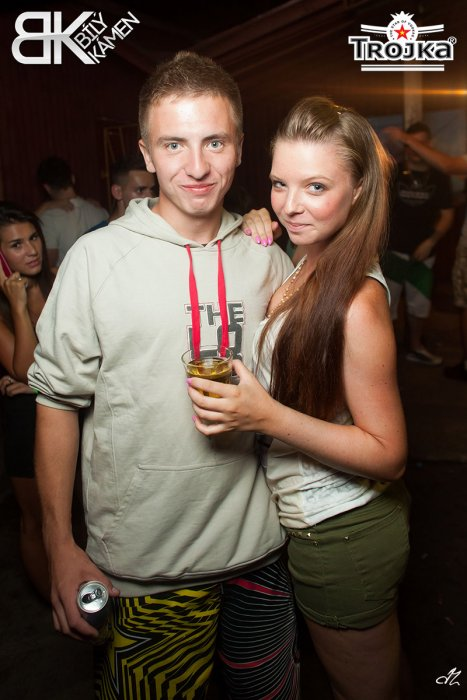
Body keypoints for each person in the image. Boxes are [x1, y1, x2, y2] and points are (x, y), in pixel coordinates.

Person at [28, 51, 299, 700]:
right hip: (144, 572)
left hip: (263, 556)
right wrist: (60, 544)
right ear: (147, 153)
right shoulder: (96, 260)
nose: (196, 166)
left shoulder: (268, 256)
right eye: (174, 144)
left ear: (240, 148)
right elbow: (57, 403)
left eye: (214, 142)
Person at [187, 96, 411, 700]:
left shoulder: (356, 301)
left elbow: (389, 453)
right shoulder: (308, 256)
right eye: (280, 183)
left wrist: (266, 415)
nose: (290, 205)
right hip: (316, 523)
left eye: (316, 186)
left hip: (343, 531)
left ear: (359, 190)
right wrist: (257, 227)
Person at [0, 201, 54, 601]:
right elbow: (25, 368)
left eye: (33, 237)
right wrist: (18, 306)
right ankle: (53, 603)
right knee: (35, 520)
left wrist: (37, 385)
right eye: (16, 245)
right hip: (24, 423)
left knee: (71, 517)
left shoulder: (57, 280)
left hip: (64, 413)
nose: (31, 250)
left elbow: (75, 358)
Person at [385, 125, 467, 381]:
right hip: (392, 252)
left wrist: (431, 242)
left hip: (423, 254)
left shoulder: (439, 176)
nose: (416, 149)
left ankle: (415, 347)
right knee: (386, 306)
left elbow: (447, 214)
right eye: (411, 143)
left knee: (419, 306)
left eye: (421, 143)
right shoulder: (394, 172)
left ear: (429, 145)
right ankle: (387, 354)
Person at [36, 156, 108, 270]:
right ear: (73, 179)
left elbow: (50, 262)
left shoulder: (48, 217)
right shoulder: (100, 211)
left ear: (47, 187)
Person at [88, 153, 158, 231]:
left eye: (152, 189)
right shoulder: (95, 236)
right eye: (140, 190)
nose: (150, 197)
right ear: (117, 192)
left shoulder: (155, 228)